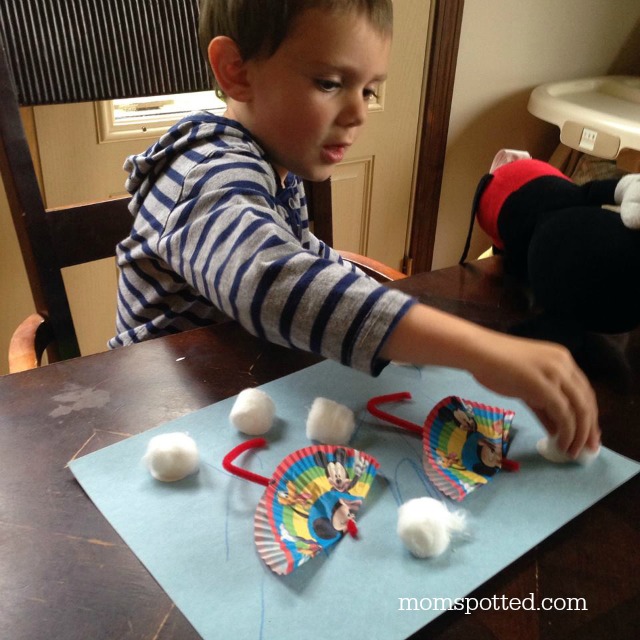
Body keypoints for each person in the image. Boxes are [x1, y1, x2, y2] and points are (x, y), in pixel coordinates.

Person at [109, 0, 599, 458]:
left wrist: (409, 321)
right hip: (157, 421)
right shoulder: (206, 174)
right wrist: (479, 351)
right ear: (237, 71)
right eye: (328, 82)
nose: (359, 112)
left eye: (368, 89)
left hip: (246, 395)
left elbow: (304, 252)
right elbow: (270, 280)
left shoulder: (275, 164)